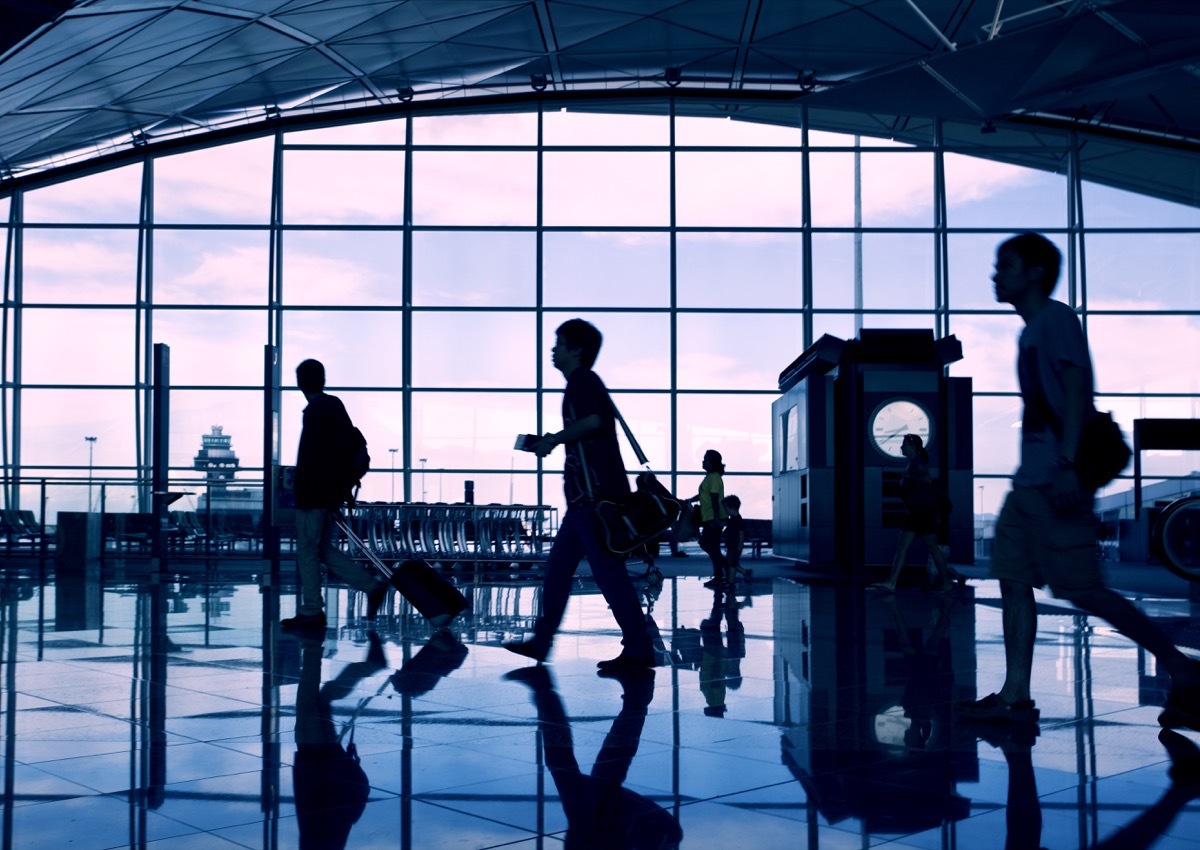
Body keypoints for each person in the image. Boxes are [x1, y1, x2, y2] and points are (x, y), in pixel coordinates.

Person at [957, 232, 1200, 727]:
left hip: (1055, 483)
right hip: (1029, 485)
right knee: (1013, 578)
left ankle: (1183, 669)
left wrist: (1068, 466)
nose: (995, 274)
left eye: (1005, 265)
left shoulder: (1057, 320)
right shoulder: (1030, 331)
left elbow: (1076, 390)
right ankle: (1015, 696)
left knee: (1085, 590)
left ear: (1035, 273)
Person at [503, 319, 655, 670]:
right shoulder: (581, 383)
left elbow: (595, 421)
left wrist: (555, 439)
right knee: (557, 571)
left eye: (558, 343)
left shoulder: (583, 381)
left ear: (576, 349)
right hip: (583, 500)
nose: (553, 350)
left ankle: (638, 647)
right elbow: (589, 427)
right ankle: (541, 642)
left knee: (607, 572)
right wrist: (554, 439)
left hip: (595, 497)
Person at [504, 665, 683, 849]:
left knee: (598, 772)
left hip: (649, 830)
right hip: (647, 832)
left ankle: (636, 698)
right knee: (582, 772)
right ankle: (544, 690)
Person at [282, 359, 386, 631]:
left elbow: (319, 459)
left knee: (306, 549)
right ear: (323, 379)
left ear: (300, 382)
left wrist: (317, 492)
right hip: (328, 493)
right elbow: (345, 449)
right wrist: (338, 493)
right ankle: (371, 586)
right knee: (320, 549)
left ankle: (312, 610)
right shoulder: (335, 406)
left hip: (314, 495)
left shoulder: (316, 411)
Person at [869, 434, 958, 592]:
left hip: (920, 514)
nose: (901, 447)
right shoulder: (913, 464)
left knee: (926, 548)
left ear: (913, 447)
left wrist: (910, 477)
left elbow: (927, 480)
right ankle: (893, 582)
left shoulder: (917, 464)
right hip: (916, 514)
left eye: (904, 445)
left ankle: (945, 582)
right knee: (914, 547)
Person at [691, 449, 730, 589]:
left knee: (709, 546)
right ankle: (724, 570)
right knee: (710, 546)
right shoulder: (709, 477)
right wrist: (690, 500)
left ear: (712, 462)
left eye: (705, 459)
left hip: (714, 518)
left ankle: (722, 573)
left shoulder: (713, 477)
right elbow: (704, 495)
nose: (703, 461)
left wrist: (717, 519)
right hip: (710, 517)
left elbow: (714, 498)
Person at [722, 494, 748, 581]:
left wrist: (740, 545)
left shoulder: (737, 520)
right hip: (731, 545)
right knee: (731, 563)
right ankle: (745, 573)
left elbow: (741, 533)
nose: (726, 511)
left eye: (726, 509)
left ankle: (731, 581)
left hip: (734, 546)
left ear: (732, 508)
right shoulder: (732, 519)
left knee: (731, 564)